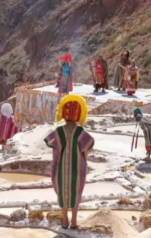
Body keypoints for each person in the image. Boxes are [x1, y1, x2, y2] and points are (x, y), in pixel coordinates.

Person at [44, 94, 94, 229]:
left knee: (63, 193)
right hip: (76, 170)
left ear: (64, 114)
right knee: (75, 192)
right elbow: (89, 145)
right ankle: (74, 221)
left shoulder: (58, 131)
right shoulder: (80, 132)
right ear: (78, 115)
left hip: (61, 169)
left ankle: (65, 220)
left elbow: (50, 142)